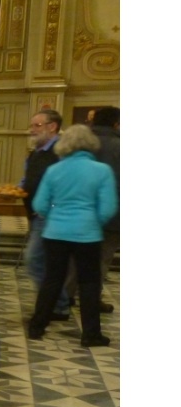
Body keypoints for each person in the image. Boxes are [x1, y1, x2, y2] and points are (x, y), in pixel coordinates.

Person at [27, 125, 118, 347]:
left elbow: (39, 204)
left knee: (52, 279)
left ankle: (37, 327)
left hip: (55, 232)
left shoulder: (54, 170)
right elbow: (108, 207)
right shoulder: (101, 170)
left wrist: (56, 216)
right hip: (88, 234)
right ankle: (91, 334)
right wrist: (92, 221)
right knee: (89, 283)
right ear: (90, 144)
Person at [22, 109, 71, 319]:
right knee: (44, 262)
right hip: (35, 214)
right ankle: (58, 304)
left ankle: (57, 305)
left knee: (34, 260)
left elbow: (63, 185)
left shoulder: (60, 153)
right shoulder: (36, 152)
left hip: (50, 216)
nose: (31, 130)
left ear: (52, 126)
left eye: (37, 126)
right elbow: (28, 179)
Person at [90, 106, 120, 312]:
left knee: (75, 259)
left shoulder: (79, 143)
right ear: (116, 124)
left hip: (80, 213)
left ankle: (66, 298)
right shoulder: (120, 146)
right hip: (112, 214)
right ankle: (92, 298)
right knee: (101, 259)